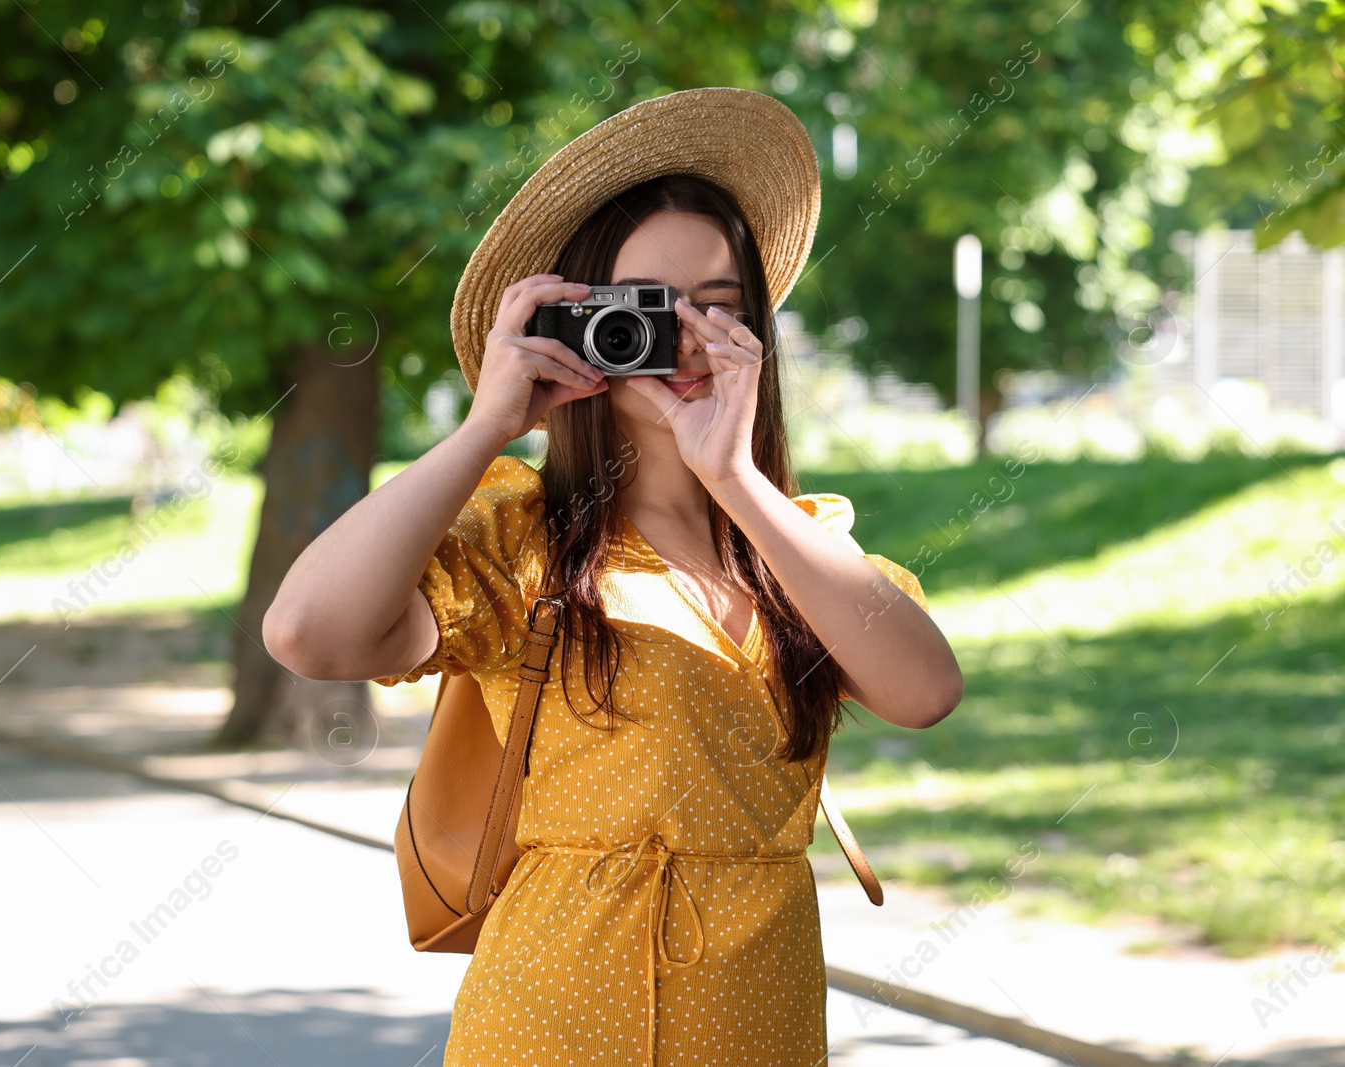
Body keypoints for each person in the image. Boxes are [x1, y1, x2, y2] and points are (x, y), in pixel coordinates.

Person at [264, 87, 963, 1067]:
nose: (678, 338)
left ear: (757, 336)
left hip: (759, 1029)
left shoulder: (799, 542)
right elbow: (306, 631)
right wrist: (484, 427)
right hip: (549, 1026)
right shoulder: (520, 535)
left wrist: (732, 475)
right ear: (578, 323)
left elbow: (925, 689)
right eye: (641, 310)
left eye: (714, 309)